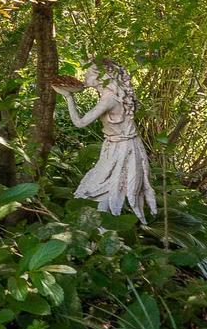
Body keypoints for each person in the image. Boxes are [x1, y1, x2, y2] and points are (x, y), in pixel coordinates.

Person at [53, 59, 157, 220]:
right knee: (105, 185)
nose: (84, 75)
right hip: (117, 145)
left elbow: (80, 123)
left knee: (109, 187)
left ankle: (102, 226)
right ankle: (100, 224)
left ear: (100, 76)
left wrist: (68, 97)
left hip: (122, 149)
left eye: (88, 72)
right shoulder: (112, 95)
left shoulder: (108, 99)